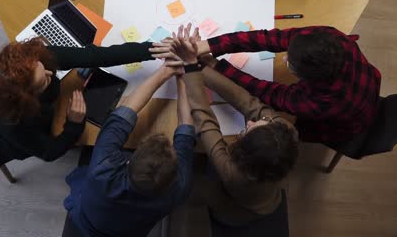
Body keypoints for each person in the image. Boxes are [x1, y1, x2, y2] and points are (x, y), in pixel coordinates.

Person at [155, 25, 298, 226]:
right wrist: (197, 66)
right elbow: (246, 102)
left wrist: (189, 67)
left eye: (246, 130)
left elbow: (205, 121)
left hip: (240, 208)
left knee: (198, 192)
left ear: (241, 153)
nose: (249, 121)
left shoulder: (234, 174)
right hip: (265, 186)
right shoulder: (285, 130)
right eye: (260, 122)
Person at [151, 26, 381, 144]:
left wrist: (217, 67)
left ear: (307, 80)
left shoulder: (321, 103)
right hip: (366, 82)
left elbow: (266, 91)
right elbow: (268, 38)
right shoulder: (328, 36)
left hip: (344, 122)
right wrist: (207, 45)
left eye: (290, 64)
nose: (283, 58)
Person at [63, 60, 196, 237]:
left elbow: (124, 115)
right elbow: (186, 130)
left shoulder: (103, 169)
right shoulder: (180, 188)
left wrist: (165, 71)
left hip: (86, 224)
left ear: (129, 160)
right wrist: (183, 77)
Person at [0, 38, 156, 162]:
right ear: (29, 98)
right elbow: (50, 152)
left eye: (44, 68)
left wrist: (152, 49)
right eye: (44, 81)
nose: (50, 73)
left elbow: (96, 55)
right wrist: (74, 124)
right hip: (22, 142)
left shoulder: (37, 60)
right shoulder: (14, 125)